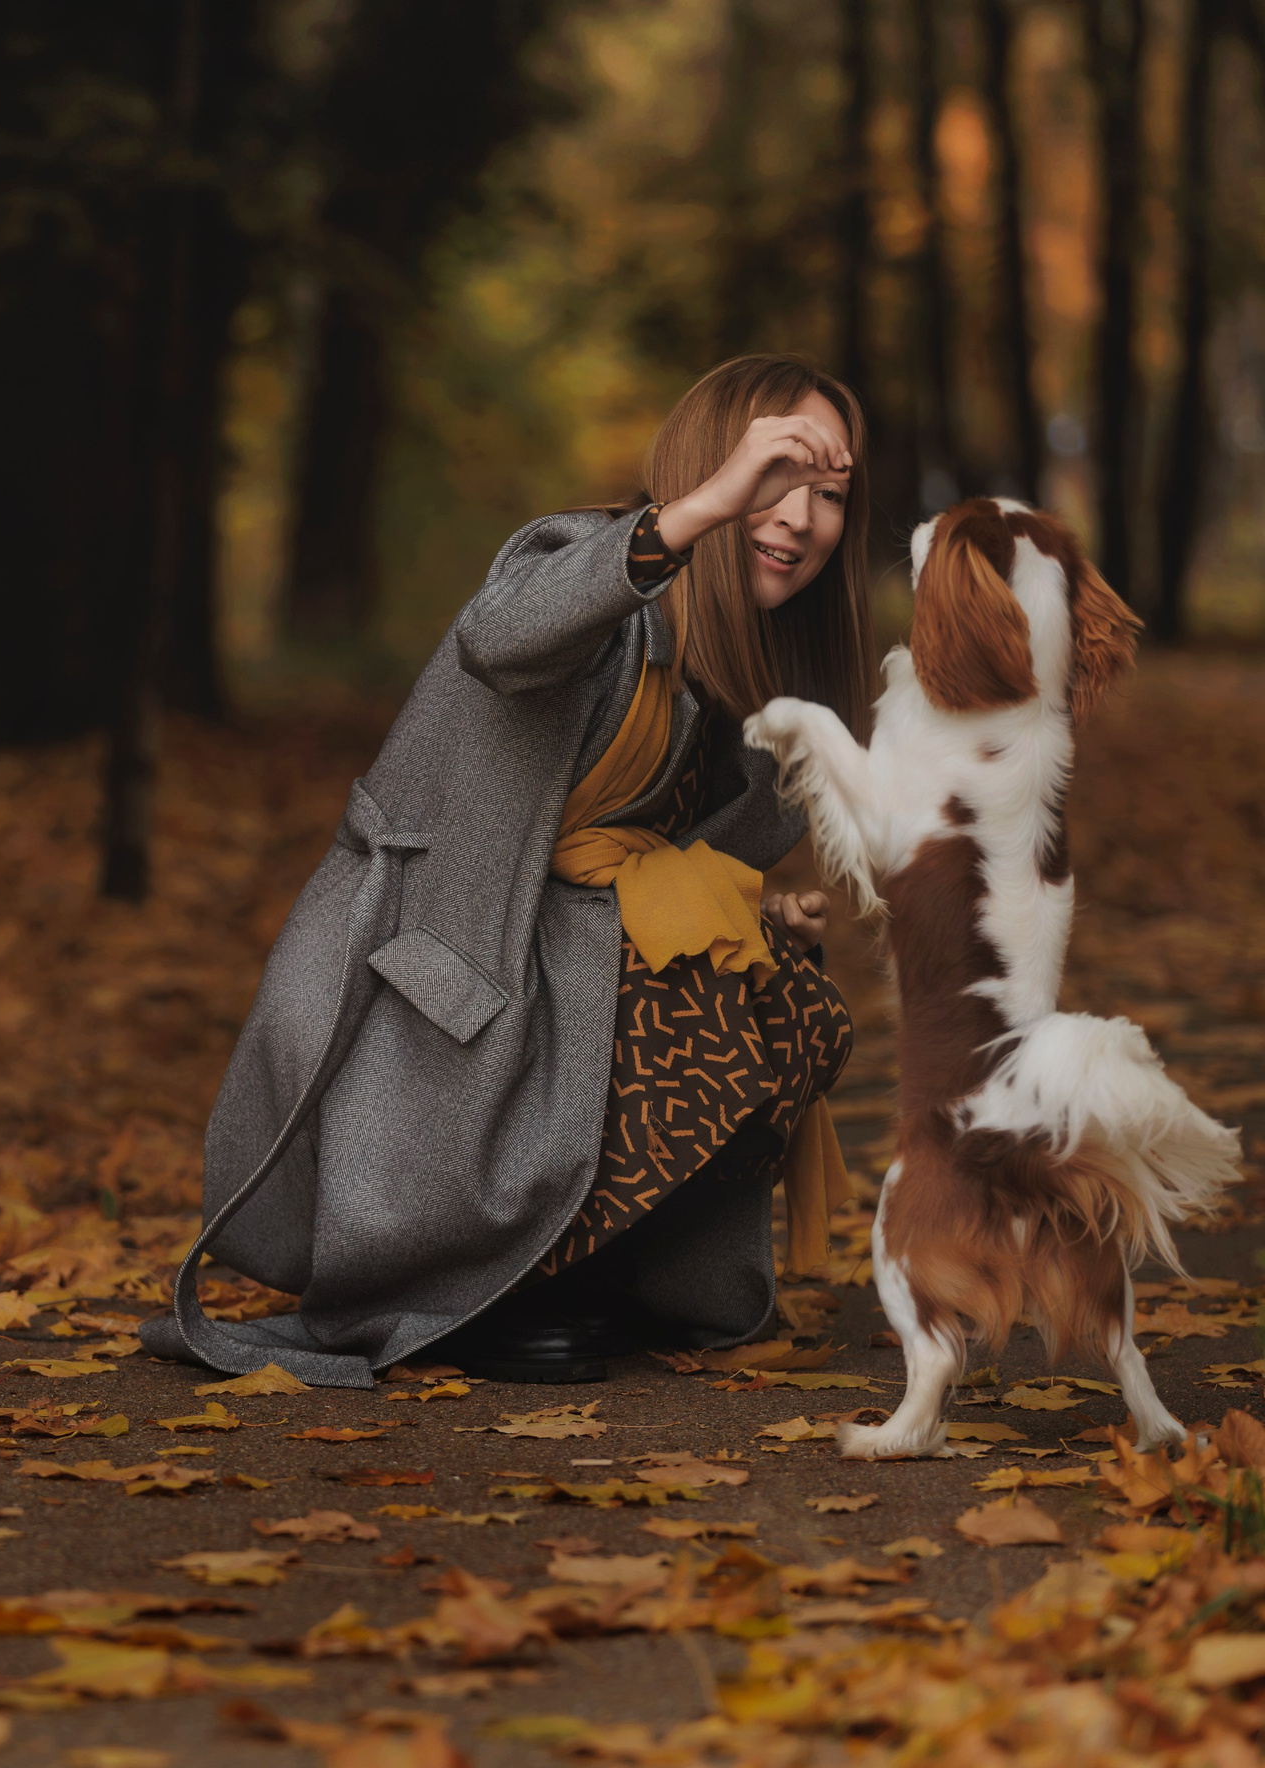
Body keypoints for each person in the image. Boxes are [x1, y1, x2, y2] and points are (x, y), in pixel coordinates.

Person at [143, 354, 873, 1387]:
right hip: (444, 958)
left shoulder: (740, 671)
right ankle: (508, 1276)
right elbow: (499, 636)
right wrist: (696, 512)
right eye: (774, 474)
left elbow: (675, 854)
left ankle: (592, 1261)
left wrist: (756, 906)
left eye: (829, 494)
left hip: (575, 946)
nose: (796, 516)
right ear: (711, 470)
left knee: (790, 1004)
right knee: (697, 1005)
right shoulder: (591, 563)